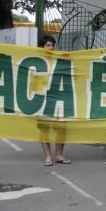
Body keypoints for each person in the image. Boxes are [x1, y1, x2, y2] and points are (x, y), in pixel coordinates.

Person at [38, 35, 71, 166]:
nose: (51, 48)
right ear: (41, 47)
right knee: (44, 129)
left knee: (61, 128)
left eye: (52, 45)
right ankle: (47, 156)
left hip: (60, 98)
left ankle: (58, 155)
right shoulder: (37, 60)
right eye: (48, 45)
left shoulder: (60, 59)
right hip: (43, 99)